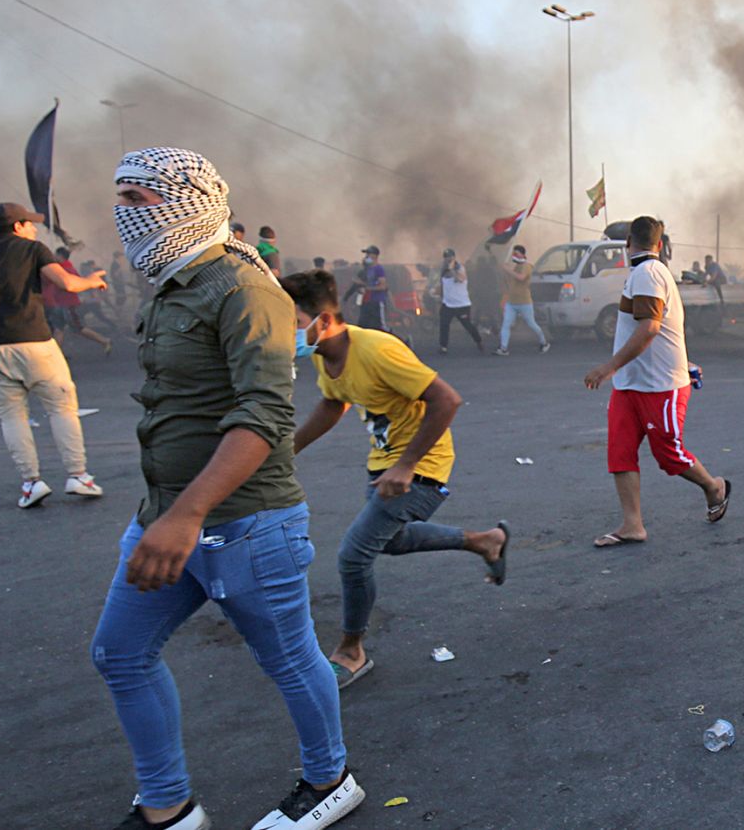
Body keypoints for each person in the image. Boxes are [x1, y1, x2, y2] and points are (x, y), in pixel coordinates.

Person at [91, 148, 361, 830]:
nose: (121, 213)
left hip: (243, 523)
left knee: (290, 659)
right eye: (119, 197)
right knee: (120, 654)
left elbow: (263, 417)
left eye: (136, 199)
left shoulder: (244, 289)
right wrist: (169, 515)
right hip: (168, 518)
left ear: (189, 200)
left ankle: (331, 779)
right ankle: (168, 806)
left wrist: (187, 515)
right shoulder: (176, 284)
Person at [283, 269, 508, 689]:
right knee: (393, 540)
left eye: (293, 322)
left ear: (325, 320)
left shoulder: (378, 349)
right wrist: (288, 449)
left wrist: (405, 465)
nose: (287, 332)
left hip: (423, 465)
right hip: (384, 462)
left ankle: (352, 650)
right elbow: (334, 403)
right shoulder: (323, 352)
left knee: (354, 556)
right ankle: (484, 540)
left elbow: (447, 399)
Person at [0, 204, 109, 508]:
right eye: (30, 224)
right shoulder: (33, 249)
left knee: (12, 416)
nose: (33, 229)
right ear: (17, 226)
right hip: (35, 342)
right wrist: (93, 280)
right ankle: (78, 476)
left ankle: (31, 483)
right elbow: (67, 283)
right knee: (61, 409)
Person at [583, 216, 731, 548]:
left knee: (669, 453)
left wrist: (607, 367)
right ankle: (632, 525)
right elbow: (665, 328)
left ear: (627, 244)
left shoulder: (648, 274)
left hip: (659, 386)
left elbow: (650, 328)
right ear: (660, 245)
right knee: (620, 451)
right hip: (631, 384)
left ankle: (713, 487)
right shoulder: (643, 273)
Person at [45, 247, 114, 354]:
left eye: (55, 255)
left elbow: (78, 284)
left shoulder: (67, 270)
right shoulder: (61, 269)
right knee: (58, 329)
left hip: (69, 304)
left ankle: (104, 340)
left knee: (79, 328)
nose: (54, 257)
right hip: (60, 303)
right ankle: (56, 354)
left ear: (60, 256)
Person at [495, 244, 549, 355]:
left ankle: (544, 342)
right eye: (513, 253)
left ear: (522, 254)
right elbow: (510, 280)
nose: (514, 256)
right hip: (511, 302)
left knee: (531, 324)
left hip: (524, 302)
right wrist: (504, 271)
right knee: (506, 324)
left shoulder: (527, 266)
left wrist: (508, 270)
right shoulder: (515, 266)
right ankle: (503, 348)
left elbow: (521, 277)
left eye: (516, 253)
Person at [433, 247, 481, 354]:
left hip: (461, 304)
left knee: (467, 325)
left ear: (454, 257)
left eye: (450, 257)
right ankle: (443, 346)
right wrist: (438, 295)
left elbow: (460, 279)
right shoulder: (443, 270)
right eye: (446, 257)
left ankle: (478, 341)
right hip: (448, 304)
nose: (448, 259)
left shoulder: (460, 268)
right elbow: (443, 284)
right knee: (444, 324)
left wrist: (452, 270)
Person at [353, 245, 389, 331]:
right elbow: (369, 284)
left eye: (369, 253)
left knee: (381, 328)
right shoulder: (368, 269)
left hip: (376, 302)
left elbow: (382, 286)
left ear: (375, 256)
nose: (366, 256)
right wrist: (361, 285)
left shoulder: (379, 269)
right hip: (366, 302)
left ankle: (401, 342)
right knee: (363, 326)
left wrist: (367, 288)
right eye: (366, 254)